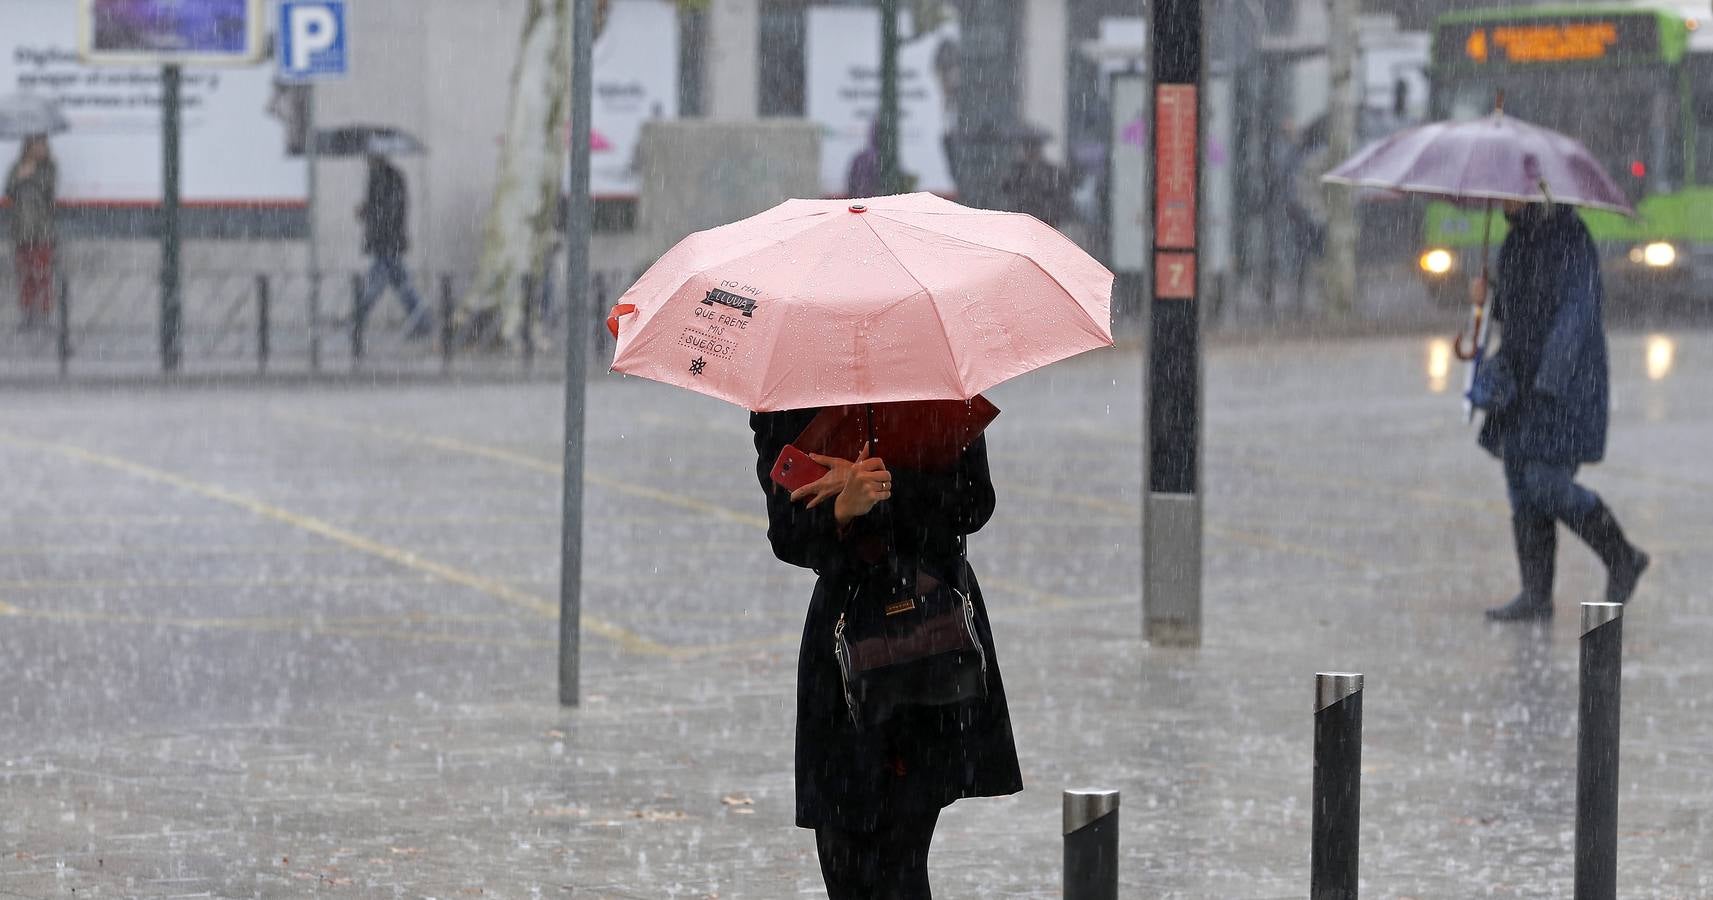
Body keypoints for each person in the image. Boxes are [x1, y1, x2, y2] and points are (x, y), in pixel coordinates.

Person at [751, 411, 1022, 898]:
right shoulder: (790, 395)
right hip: (843, 646)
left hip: (929, 628)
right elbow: (786, 532)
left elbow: (973, 502)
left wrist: (882, 489)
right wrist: (842, 508)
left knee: (900, 860)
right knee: (843, 856)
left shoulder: (936, 386)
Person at [1470, 200, 1649, 621]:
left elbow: (1577, 313)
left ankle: (1622, 556)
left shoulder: (1570, 237)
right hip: (1519, 384)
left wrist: (1551, 376)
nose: (1503, 202)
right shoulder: (1514, 240)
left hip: (1563, 387)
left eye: (1511, 193)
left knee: (1544, 481)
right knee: (1520, 485)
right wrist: (1485, 296)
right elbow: (1513, 314)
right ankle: (1536, 594)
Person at [354, 152, 429, 338]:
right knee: (401, 285)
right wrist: (367, 210)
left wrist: (369, 211)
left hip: (387, 241)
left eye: (369, 157)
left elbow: (391, 210)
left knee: (374, 286)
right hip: (387, 241)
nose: (366, 160)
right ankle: (422, 322)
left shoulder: (388, 177)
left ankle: (356, 322)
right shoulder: (380, 176)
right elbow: (386, 207)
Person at [5, 135, 57, 330]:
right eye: (36, 145)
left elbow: (49, 191)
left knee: (43, 275)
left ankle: (44, 314)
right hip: (21, 230)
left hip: (42, 231)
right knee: (25, 275)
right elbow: (9, 190)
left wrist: (33, 175)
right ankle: (27, 314)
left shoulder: (49, 168)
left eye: (42, 145)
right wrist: (20, 175)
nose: (39, 149)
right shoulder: (17, 167)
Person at [1000, 132, 1071, 228]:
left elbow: (1061, 196)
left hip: (1045, 220)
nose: (1031, 152)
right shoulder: (1016, 169)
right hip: (1022, 219)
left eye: (1033, 149)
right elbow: (1006, 189)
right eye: (1028, 149)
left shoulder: (1051, 171)